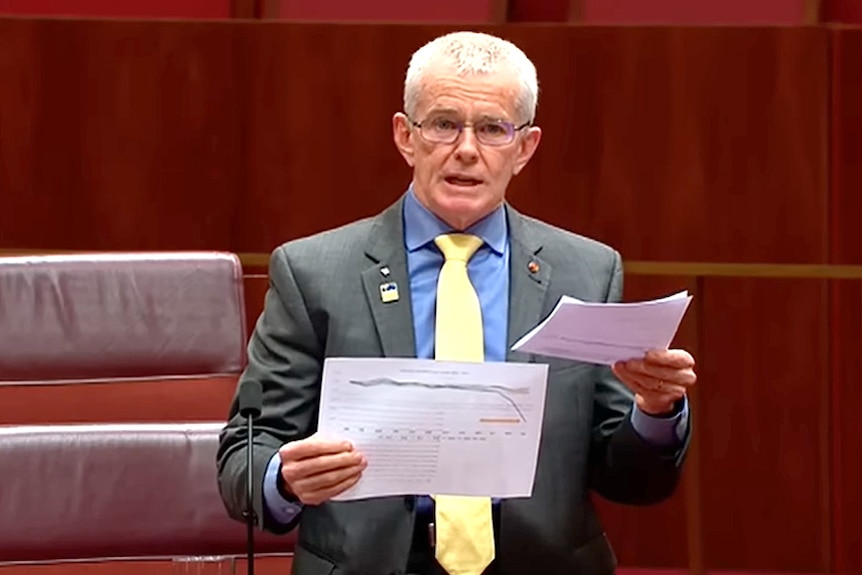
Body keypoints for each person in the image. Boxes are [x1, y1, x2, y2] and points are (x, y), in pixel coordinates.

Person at [217, 30, 697, 575]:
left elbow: (629, 477)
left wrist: (656, 413)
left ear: (525, 148)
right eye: (444, 124)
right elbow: (242, 461)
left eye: (492, 128)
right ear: (405, 136)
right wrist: (283, 476)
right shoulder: (315, 274)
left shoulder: (585, 271)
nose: (466, 149)